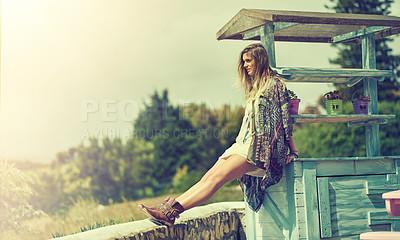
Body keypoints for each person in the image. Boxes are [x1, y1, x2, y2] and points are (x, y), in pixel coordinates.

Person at [138, 43, 298, 226]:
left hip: (259, 149)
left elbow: (286, 120)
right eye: (243, 61)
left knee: (216, 179)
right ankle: (167, 210)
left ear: (260, 60)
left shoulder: (275, 85)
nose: (245, 65)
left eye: (248, 60)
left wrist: (293, 151)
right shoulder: (254, 89)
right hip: (242, 143)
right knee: (207, 177)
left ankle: (171, 212)